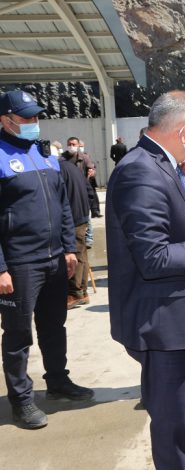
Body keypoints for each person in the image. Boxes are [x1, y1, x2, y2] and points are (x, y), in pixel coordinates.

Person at [106, 90, 185, 469]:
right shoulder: (140, 170)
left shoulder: (169, 165)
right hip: (167, 327)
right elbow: (152, 257)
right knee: (174, 424)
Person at [0, 89, 94, 430]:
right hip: (20, 262)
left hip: (55, 258)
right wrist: (1, 268)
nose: (33, 123)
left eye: (36, 117)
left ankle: (57, 381)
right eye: (26, 118)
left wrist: (70, 248)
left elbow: (63, 206)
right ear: (5, 120)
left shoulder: (44, 154)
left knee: (54, 325)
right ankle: (22, 400)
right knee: (18, 334)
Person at [58, 157, 91, 309]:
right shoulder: (74, 168)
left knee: (74, 255)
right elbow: (89, 189)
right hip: (82, 214)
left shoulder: (59, 169)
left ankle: (75, 293)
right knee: (82, 255)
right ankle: (82, 291)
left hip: (73, 217)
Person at [61, 136, 101, 218]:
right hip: (68, 189)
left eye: (73, 144)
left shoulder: (84, 158)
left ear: (78, 145)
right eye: (69, 144)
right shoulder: (62, 159)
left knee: (84, 215)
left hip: (81, 189)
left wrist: (92, 172)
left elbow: (92, 169)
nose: (71, 146)